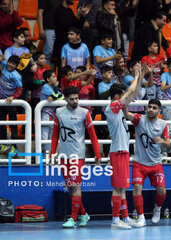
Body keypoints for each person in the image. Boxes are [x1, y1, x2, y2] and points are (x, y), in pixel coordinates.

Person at [50, 86, 101, 228]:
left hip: (78, 156)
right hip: (64, 156)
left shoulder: (84, 113)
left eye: (77, 98)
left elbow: (93, 135)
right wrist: (52, 152)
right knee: (71, 187)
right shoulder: (59, 112)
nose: (75, 101)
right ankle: (84, 214)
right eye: (72, 99)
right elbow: (55, 134)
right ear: (65, 99)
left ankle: (73, 219)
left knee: (76, 186)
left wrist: (97, 154)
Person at [105, 63, 143, 229]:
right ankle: (115, 220)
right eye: (122, 97)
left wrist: (140, 75)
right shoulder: (112, 107)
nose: (127, 99)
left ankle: (125, 218)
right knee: (118, 188)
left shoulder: (120, 110)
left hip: (123, 152)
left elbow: (132, 93)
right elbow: (129, 94)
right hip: (117, 152)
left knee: (122, 188)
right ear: (116, 97)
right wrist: (135, 76)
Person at [122, 99, 171, 227]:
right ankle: (141, 217)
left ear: (159, 111)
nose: (151, 109)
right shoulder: (140, 119)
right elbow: (127, 114)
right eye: (149, 107)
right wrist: (126, 99)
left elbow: (168, 144)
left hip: (156, 163)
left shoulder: (163, 124)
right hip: (139, 163)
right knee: (137, 187)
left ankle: (157, 208)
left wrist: (162, 141)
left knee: (161, 190)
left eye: (154, 108)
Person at [0, 55, 22, 154]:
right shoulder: (4, 64)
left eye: (13, 64)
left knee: (13, 125)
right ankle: (3, 145)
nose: (10, 65)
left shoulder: (17, 76)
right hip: (1, 102)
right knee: (1, 124)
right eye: (10, 62)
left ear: (16, 66)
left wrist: (12, 97)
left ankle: (14, 147)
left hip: (11, 102)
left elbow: (20, 89)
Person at [40, 70, 64, 155]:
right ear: (48, 79)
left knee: (51, 136)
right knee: (44, 136)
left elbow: (61, 97)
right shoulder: (45, 86)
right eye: (53, 77)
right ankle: (43, 156)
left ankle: (47, 156)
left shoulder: (53, 88)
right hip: (45, 114)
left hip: (52, 114)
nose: (56, 78)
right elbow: (55, 96)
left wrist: (55, 93)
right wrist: (56, 89)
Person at [38, 0, 62, 64]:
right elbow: (40, 12)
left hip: (60, 29)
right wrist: (41, 29)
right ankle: (45, 72)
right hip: (49, 28)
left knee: (60, 53)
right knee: (48, 53)